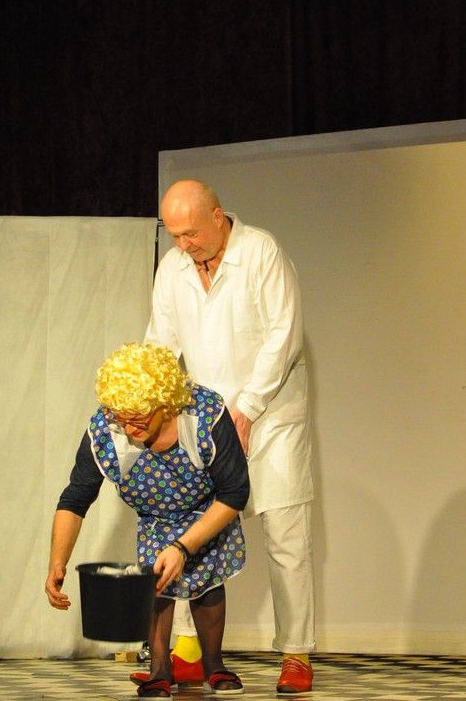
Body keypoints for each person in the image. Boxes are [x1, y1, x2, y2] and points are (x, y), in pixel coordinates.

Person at [143, 179, 315, 695]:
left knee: (285, 533)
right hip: (204, 423)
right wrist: (150, 405)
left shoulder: (261, 252)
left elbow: (284, 335)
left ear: (218, 217)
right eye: (175, 235)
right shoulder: (173, 268)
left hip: (271, 416)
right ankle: (189, 650)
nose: (183, 244)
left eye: (192, 233)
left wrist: (247, 408)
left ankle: (296, 653)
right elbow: (160, 343)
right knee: (197, 532)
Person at [45, 342, 250, 699]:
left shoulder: (204, 414)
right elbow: (75, 498)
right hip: (155, 520)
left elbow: (235, 492)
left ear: (165, 403)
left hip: (207, 511)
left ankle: (213, 664)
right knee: (154, 583)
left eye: (139, 417)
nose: (128, 427)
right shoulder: (106, 430)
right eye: (121, 417)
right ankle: (159, 669)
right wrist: (57, 561)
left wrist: (184, 546)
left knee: (207, 581)